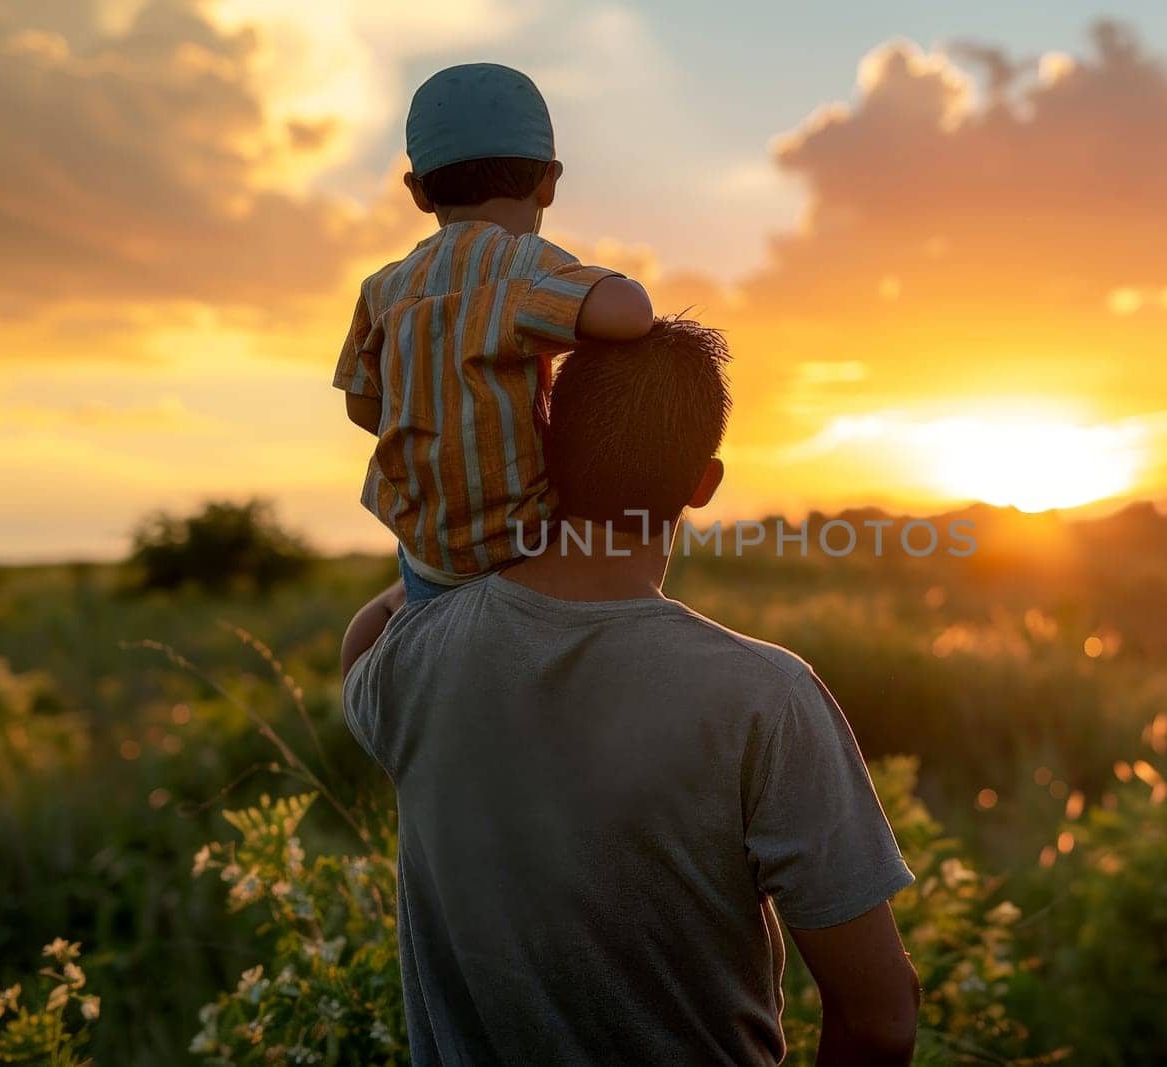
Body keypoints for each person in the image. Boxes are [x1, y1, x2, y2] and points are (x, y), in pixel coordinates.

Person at [341, 319, 921, 1065]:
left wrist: (480, 523)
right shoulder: (767, 698)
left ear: (543, 453)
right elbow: (881, 1019)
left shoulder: (415, 657)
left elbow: (370, 633)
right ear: (703, 484)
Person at [333, 62, 654, 607]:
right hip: (523, 542)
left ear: (416, 191)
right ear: (548, 182)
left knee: (379, 625)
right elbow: (632, 313)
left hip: (426, 553)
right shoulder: (526, 270)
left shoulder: (383, 288)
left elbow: (363, 409)